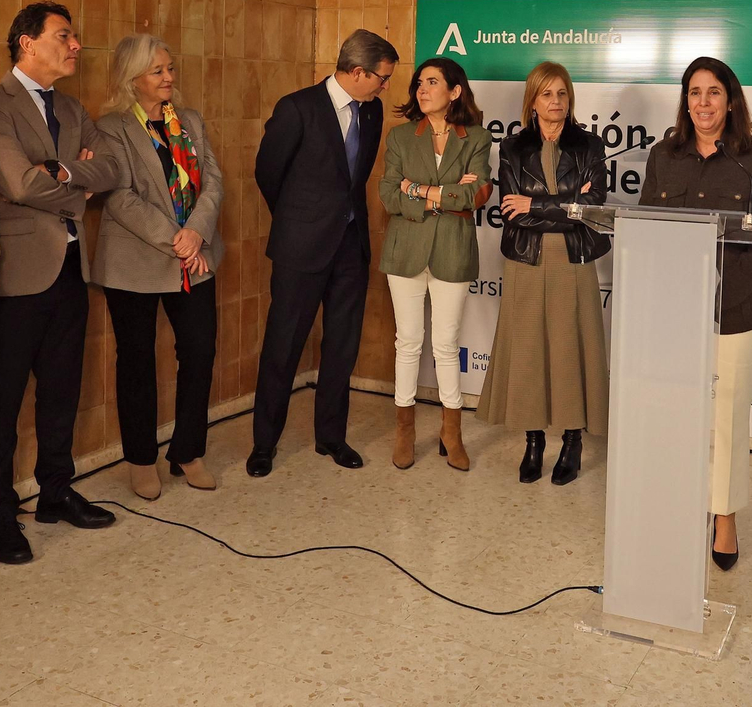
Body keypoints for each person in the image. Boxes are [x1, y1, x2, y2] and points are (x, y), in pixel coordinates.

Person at [0, 1, 121, 564]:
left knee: (62, 391)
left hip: (70, 270)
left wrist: (61, 170)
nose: (76, 45)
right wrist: (77, 186)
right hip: (16, 274)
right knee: (3, 399)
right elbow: (18, 183)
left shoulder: (74, 108)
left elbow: (112, 168)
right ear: (27, 43)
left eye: (74, 36)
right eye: (64, 35)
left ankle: (56, 491)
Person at [639, 56, 752, 571]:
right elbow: (647, 228)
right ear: (685, 101)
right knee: (677, 413)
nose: (703, 102)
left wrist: (716, 295)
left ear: (730, 100)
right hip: (676, 309)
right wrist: (675, 295)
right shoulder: (663, 156)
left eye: (713, 92)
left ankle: (723, 515)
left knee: (727, 419)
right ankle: (681, 504)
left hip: (738, 310)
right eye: (694, 92)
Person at [249, 29, 395, 476]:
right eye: (382, 78)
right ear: (358, 72)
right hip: (301, 248)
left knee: (342, 347)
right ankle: (264, 444)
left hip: (350, 247)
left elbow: (356, 178)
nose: (386, 86)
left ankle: (331, 437)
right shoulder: (297, 108)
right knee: (283, 345)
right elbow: (267, 173)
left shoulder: (372, 111)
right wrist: (300, 221)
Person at [91, 34, 223, 499]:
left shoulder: (189, 121)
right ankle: (141, 460)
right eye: (158, 71)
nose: (168, 77)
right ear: (133, 79)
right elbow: (120, 196)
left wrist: (196, 232)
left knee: (200, 351)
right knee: (137, 362)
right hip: (135, 263)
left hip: (196, 255)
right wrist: (177, 240)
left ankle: (188, 451)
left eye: (170, 68)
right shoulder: (111, 129)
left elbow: (213, 180)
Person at [478, 61, 610, 485]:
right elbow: (511, 214)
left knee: (571, 349)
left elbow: (592, 208)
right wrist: (568, 203)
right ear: (532, 101)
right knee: (529, 350)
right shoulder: (513, 148)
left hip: (574, 260)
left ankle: (572, 441)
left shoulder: (589, 146)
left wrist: (535, 204)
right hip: (526, 260)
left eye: (562, 93)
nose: (556, 102)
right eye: (547, 94)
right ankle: (533, 442)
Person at [377, 58, 493, 471]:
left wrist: (418, 189)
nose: (421, 90)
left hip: (453, 251)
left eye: (432, 82)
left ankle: (451, 433)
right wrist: (445, 195)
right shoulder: (400, 136)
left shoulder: (477, 137)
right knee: (408, 342)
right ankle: (404, 431)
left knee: (446, 345)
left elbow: (475, 196)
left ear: (455, 91)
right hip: (405, 251)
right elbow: (389, 195)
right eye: (419, 83)